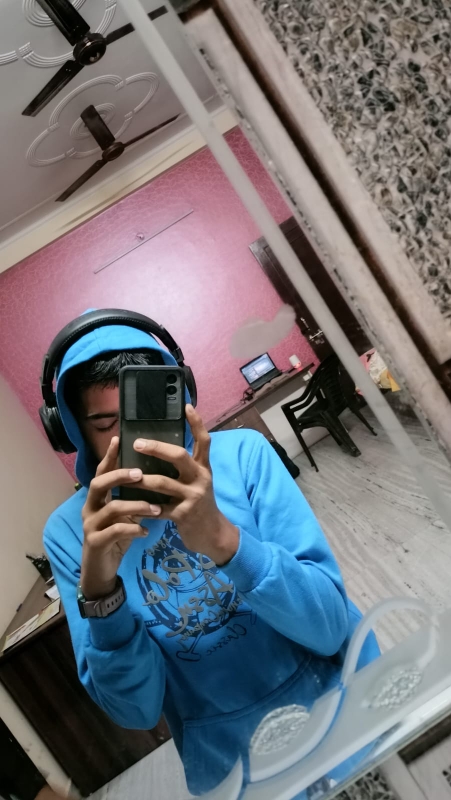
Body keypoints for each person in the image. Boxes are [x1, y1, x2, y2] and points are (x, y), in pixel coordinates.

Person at [42, 310, 379, 796]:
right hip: (236, 768)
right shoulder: (71, 531)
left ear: (179, 395)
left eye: (146, 413)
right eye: (104, 423)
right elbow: (136, 712)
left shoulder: (244, 455)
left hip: (349, 710)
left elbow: (328, 629)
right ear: (72, 429)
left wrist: (224, 540)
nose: (133, 440)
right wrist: (101, 597)